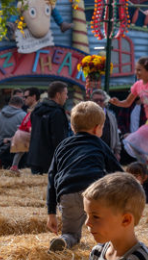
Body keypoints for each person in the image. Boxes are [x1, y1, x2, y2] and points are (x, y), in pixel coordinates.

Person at [46, 101, 122, 251]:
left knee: (71, 233)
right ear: (96, 129)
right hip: (95, 192)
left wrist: (51, 213)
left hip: (68, 193)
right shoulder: (99, 144)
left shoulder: (62, 146)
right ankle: (106, 249)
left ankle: (64, 240)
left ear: (73, 127)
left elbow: (52, 178)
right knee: (105, 230)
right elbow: (117, 173)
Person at [111, 57, 148, 165]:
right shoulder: (138, 85)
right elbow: (127, 103)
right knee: (131, 141)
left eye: (139, 70)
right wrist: (118, 102)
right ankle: (144, 163)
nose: (136, 72)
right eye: (136, 69)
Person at [28, 81, 69, 174]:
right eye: (65, 94)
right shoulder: (57, 112)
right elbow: (59, 138)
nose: (67, 97)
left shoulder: (36, 110)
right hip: (49, 161)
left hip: (34, 158)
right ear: (58, 95)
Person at [0, 95, 26, 168]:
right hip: (18, 151)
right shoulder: (24, 116)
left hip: (2, 150)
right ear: (20, 105)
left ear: (9, 103)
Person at [9, 87, 40, 174]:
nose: (23, 99)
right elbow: (30, 124)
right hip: (26, 133)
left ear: (33, 97)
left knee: (20, 152)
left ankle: (14, 166)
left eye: (25, 97)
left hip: (21, 132)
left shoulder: (31, 111)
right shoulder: (34, 110)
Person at [90, 89, 122, 160]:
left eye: (101, 100)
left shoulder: (111, 116)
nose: (98, 102)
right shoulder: (87, 116)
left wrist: (117, 152)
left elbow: (116, 135)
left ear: (105, 102)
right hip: (92, 153)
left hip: (109, 153)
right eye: (96, 100)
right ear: (91, 101)